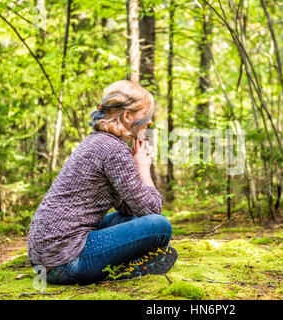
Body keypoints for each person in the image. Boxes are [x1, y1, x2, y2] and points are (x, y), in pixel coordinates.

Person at [27, 80, 177, 285]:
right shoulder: (113, 149)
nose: (149, 122)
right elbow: (152, 211)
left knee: (132, 219)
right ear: (127, 116)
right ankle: (125, 267)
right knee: (160, 226)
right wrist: (143, 166)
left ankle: (128, 262)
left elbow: (128, 207)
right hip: (64, 261)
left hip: (47, 256)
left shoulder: (98, 141)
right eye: (146, 116)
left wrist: (133, 166)